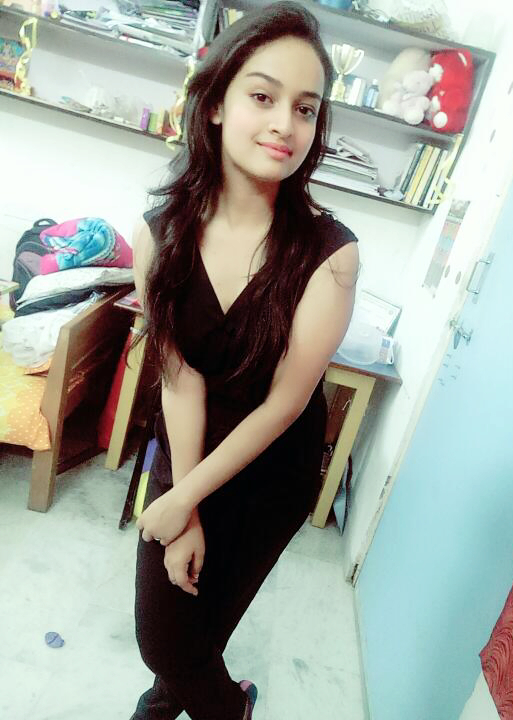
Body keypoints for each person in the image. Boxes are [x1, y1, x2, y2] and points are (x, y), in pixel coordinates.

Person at [130, 2, 360, 718]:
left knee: (192, 640)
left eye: (305, 108)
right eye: (263, 97)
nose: (285, 124)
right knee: (166, 639)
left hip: (270, 474)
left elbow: (286, 405)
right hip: (189, 447)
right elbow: (179, 377)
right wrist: (183, 500)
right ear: (217, 103)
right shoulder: (160, 234)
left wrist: (185, 500)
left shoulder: (331, 254)